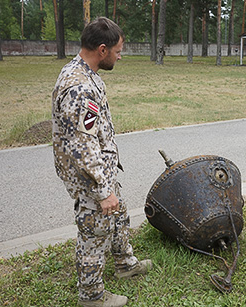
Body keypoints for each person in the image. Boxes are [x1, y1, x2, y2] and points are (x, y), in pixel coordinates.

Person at [52, 17, 151, 306]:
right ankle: (92, 296)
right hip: (90, 175)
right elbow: (81, 145)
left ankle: (124, 263)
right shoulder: (79, 87)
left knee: (118, 216)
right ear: (103, 49)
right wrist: (102, 188)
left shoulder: (87, 73)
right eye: (118, 51)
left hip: (102, 170)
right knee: (95, 231)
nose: (120, 57)